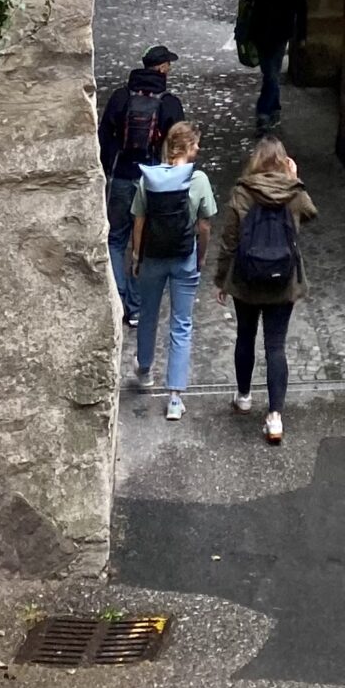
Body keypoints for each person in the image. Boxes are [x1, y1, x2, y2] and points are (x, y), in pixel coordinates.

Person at [212, 133, 316, 445]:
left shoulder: (242, 192)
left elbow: (229, 240)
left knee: (245, 336)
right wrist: (295, 179)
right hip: (283, 280)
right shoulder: (293, 193)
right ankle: (274, 417)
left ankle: (244, 396)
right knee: (276, 346)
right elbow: (311, 213)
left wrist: (221, 280)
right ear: (284, 161)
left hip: (246, 279)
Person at [128, 120, 218, 420]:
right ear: (187, 147)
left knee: (148, 314)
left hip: (153, 258)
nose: (199, 149)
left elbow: (138, 221)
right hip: (184, 257)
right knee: (182, 323)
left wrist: (136, 256)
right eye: (196, 144)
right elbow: (204, 225)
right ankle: (175, 399)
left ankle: (144, 369)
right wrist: (201, 256)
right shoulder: (198, 180)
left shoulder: (149, 179)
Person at [97, 45, 183, 326]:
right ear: (161, 68)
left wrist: (107, 168)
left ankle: (117, 296)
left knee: (115, 239)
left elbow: (104, 136)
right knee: (143, 243)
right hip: (153, 180)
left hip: (122, 175)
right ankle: (134, 308)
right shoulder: (169, 103)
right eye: (168, 65)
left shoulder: (120, 97)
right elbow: (178, 145)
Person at [240, 0, 306, 130]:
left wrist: (301, 35)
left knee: (271, 74)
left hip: (280, 33)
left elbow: (301, 6)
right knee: (271, 74)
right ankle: (275, 108)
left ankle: (263, 113)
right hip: (261, 31)